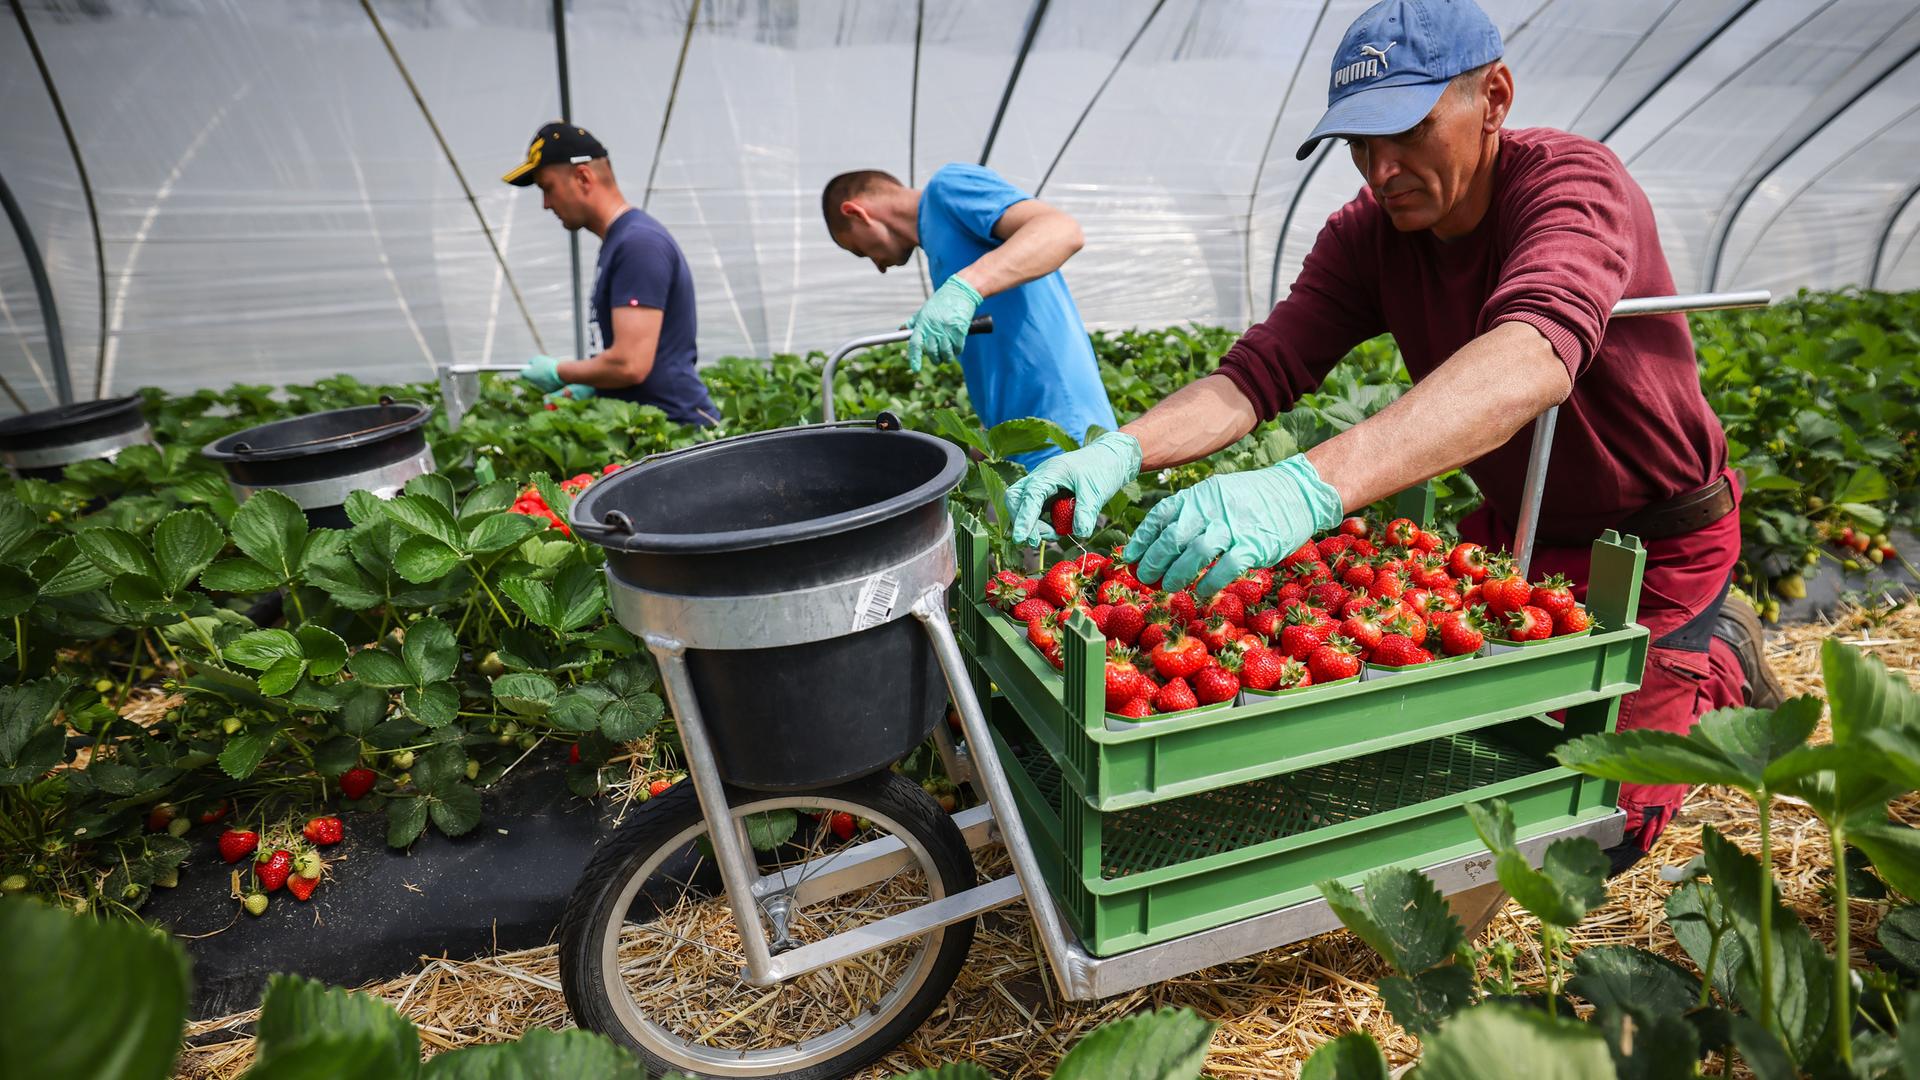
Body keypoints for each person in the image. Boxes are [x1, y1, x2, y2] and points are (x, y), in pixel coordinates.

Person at [1004, 0, 1782, 861]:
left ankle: (1714, 664)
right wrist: (1123, 449)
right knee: (1490, 770)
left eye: (1406, 130)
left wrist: (1308, 484)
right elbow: (1258, 372)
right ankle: (1694, 662)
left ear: (1493, 98)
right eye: (1360, 144)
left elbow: (1531, 355)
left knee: (1597, 834)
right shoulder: (1368, 238)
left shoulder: (1571, 185)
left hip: (1659, 537)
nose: (1381, 168)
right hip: (1512, 539)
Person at [821, 166, 1117, 468]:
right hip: (1024, 445)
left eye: (860, 251)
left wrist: (965, 287)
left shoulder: (947, 187)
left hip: (1064, 437)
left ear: (856, 212)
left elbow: (1062, 231)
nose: (879, 266)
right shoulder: (938, 245)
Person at [503, 122, 719, 426]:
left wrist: (559, 372)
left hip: (676, 433)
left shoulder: (638, 244)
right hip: (650, 427)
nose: (546, 204)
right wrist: (594, 382)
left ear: (583, 177)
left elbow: (630, 364)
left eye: (547, 188)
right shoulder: (620, 242)